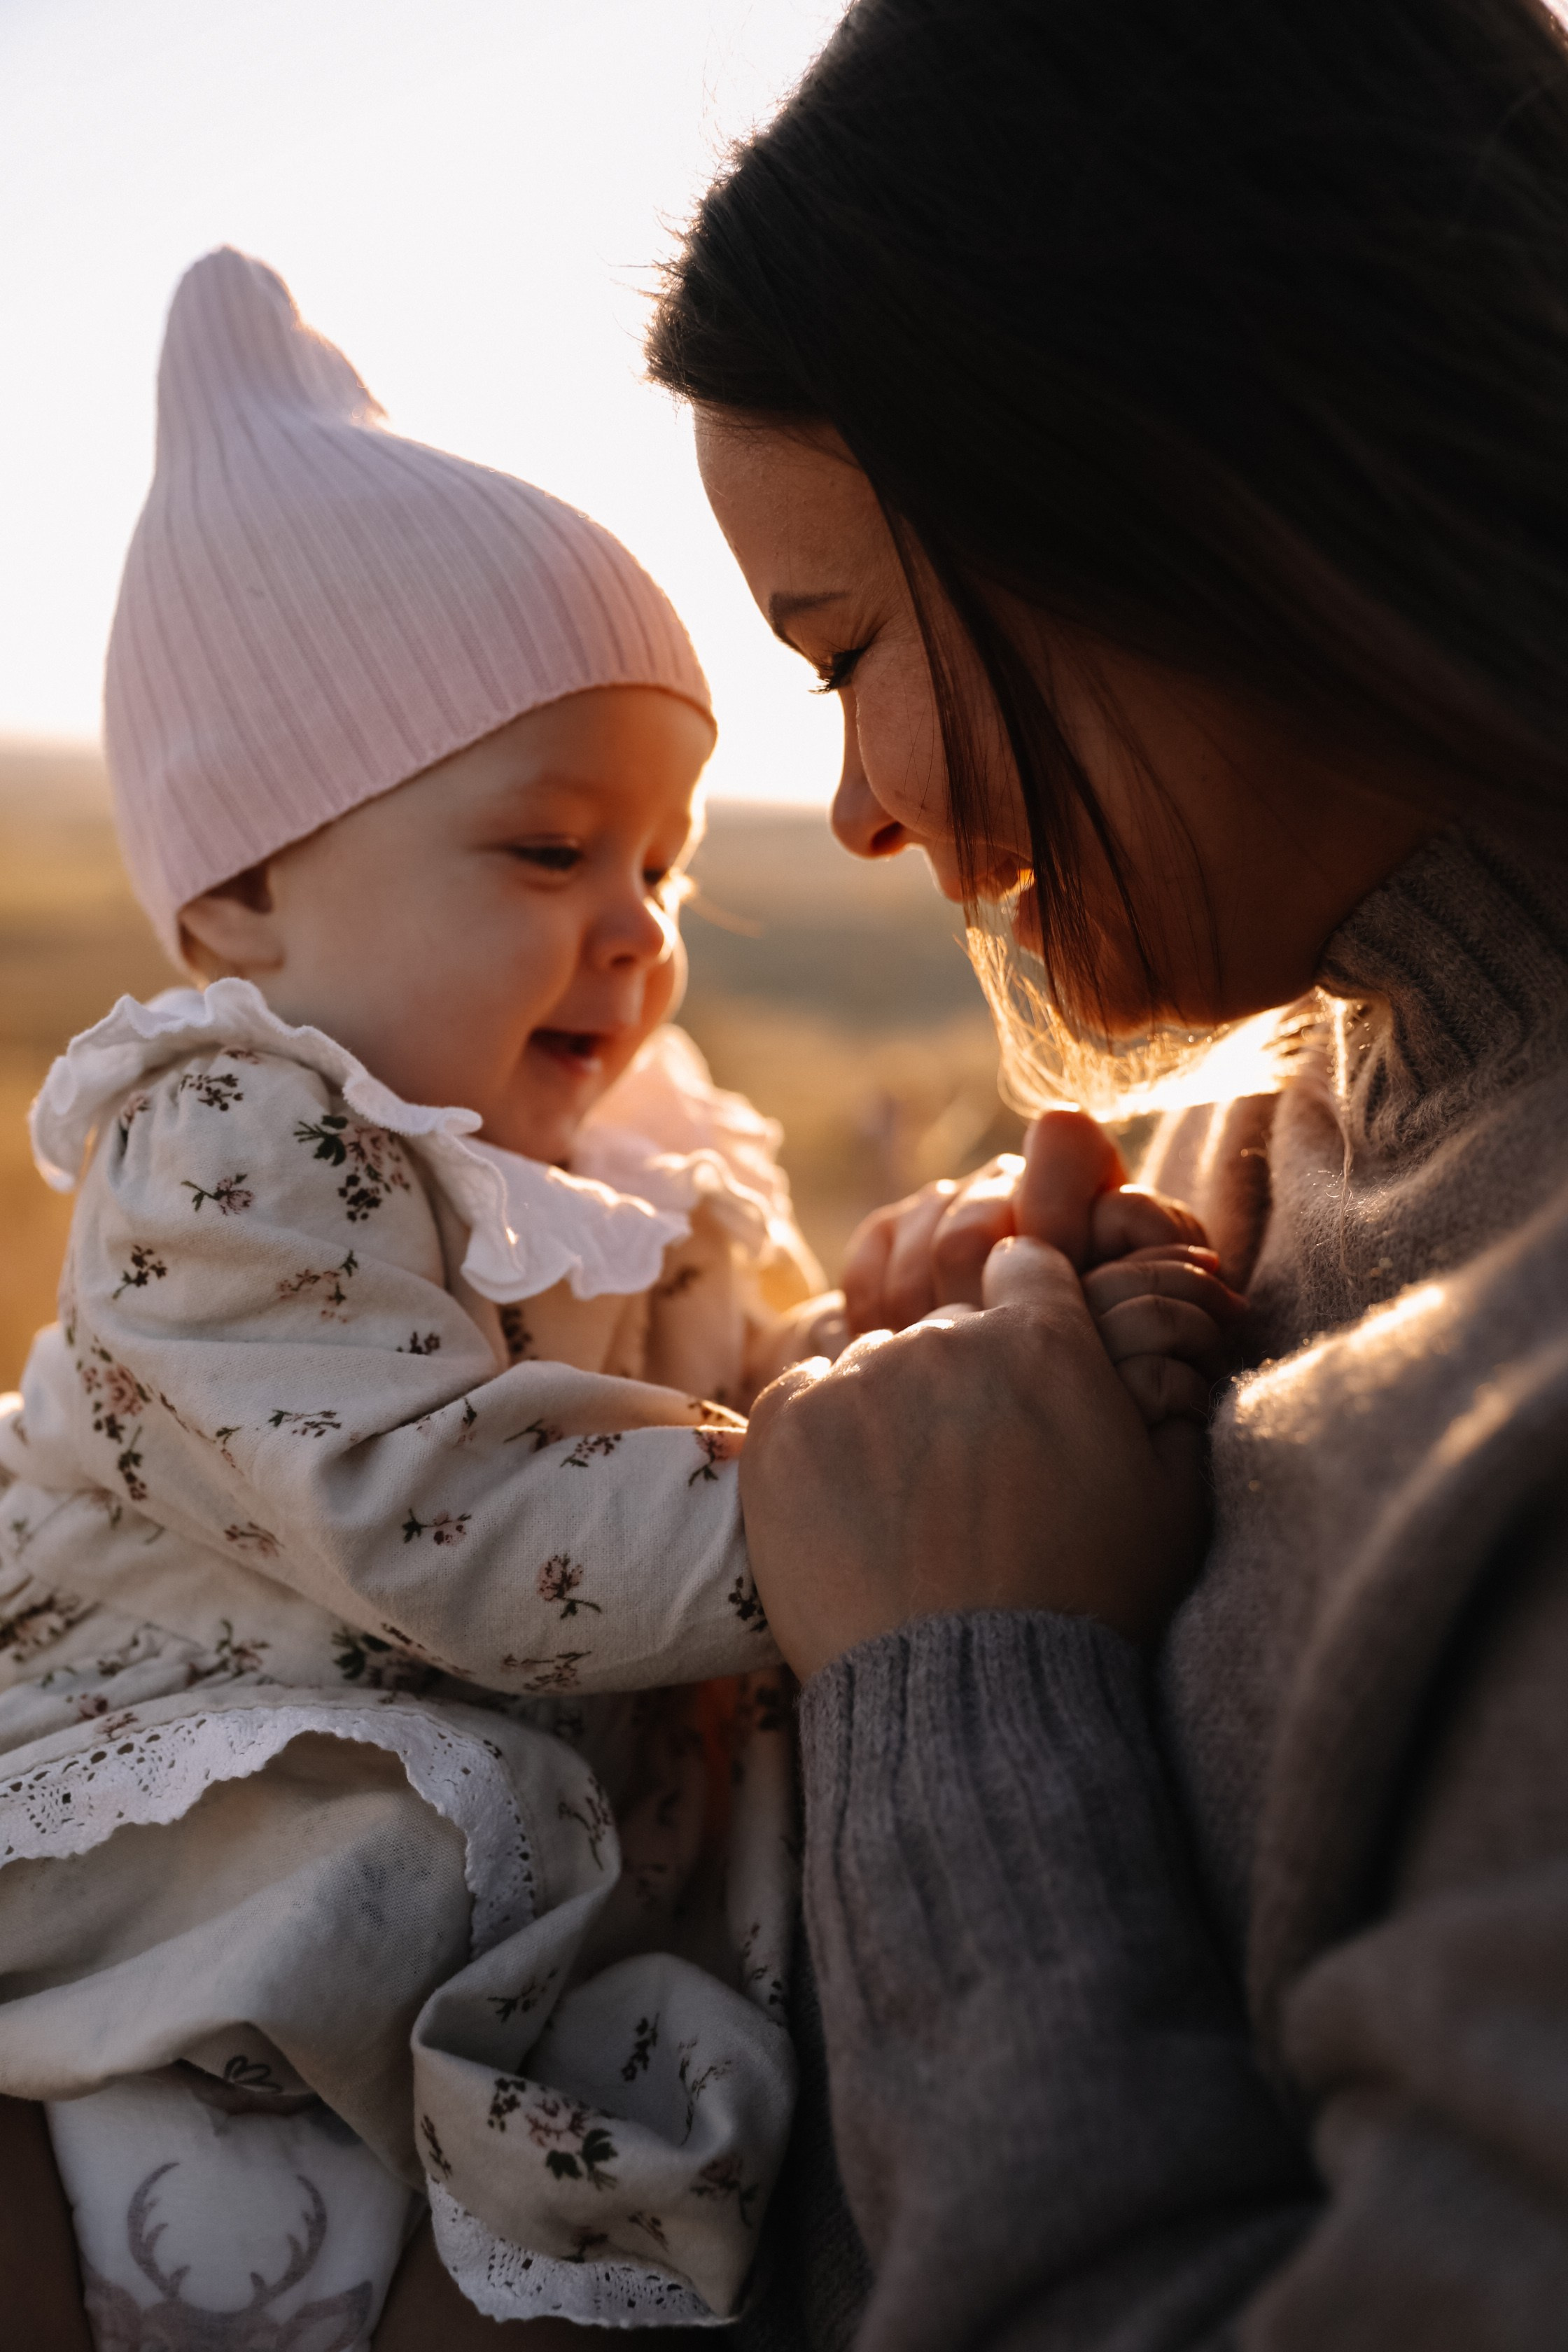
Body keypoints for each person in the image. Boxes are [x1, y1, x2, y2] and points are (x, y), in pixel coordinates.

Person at [0, 251, 1218, 2346]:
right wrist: (877, 1503)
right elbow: (440, 1510)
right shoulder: (229, 1147)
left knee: (623, 2131)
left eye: (657, 863)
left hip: (517, 1801)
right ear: (242, 897)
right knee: (383, 2014)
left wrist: (923, 1344)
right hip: (243, 1786)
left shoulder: (635, 1145)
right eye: (549, 850)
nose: (636, 932)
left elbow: (722, 1401)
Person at [644, 0, 1568, 2344]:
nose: (853, 807)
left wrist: (958, 1683)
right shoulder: (1205, 1169)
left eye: (842, 642)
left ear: (1178, 481)